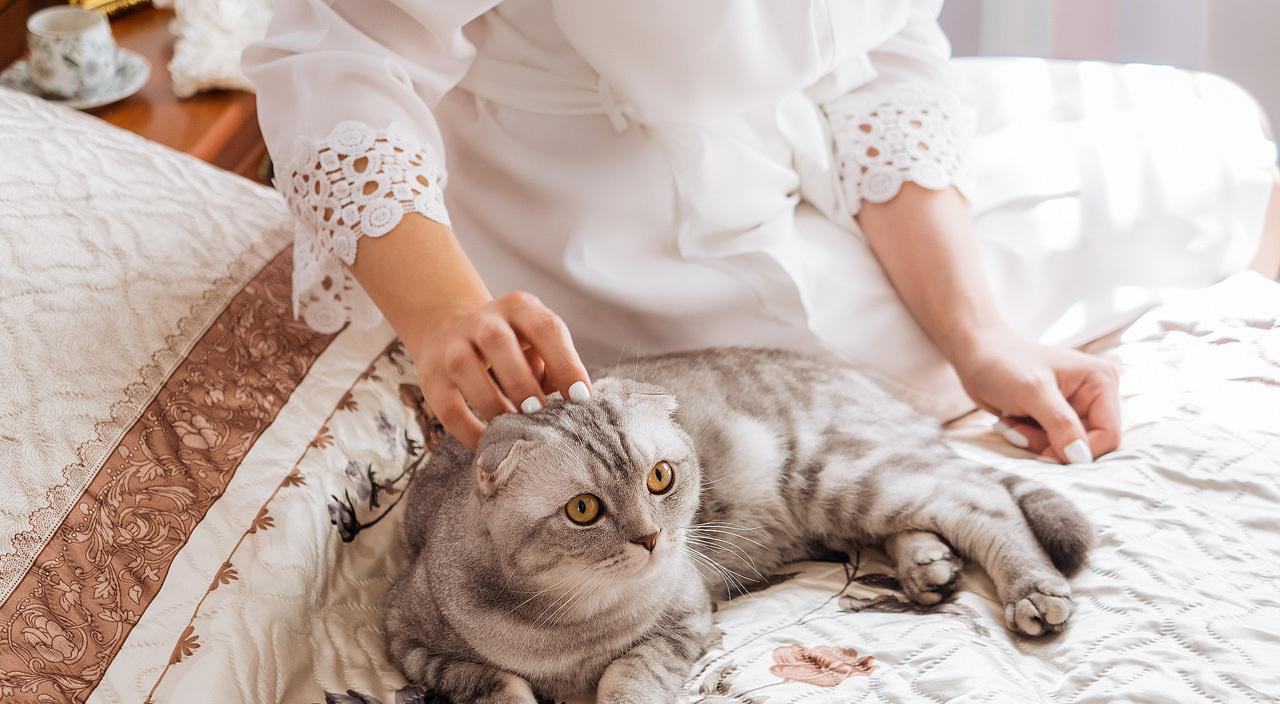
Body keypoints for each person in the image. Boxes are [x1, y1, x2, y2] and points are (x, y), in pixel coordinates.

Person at [242, 0, 1280, 461]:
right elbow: (341, 56)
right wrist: (444, 314)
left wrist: (981, 332)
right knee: (1198, 190)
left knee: (1206, 126)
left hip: (787, 141)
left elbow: (882, 54)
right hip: (607, 233)